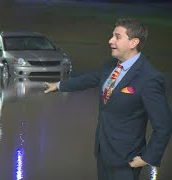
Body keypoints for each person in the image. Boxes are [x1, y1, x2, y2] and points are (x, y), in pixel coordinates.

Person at [44, 18, 172, 180]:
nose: (110, 40)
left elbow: (164, 125)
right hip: (103, 151)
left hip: (126, 159)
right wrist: (59, 85)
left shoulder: (149, 78)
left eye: (117, 37)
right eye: (112, 36)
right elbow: (91, 78)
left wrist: (148, 157)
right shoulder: (111, 65)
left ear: (133, 43)